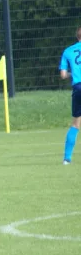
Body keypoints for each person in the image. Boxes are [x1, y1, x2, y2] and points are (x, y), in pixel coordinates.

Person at [59, 26, 81, 165]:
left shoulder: (68, 51)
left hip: (78, 87)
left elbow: (63, 75)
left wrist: (72, 74)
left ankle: (67, 158)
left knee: (76, 123)